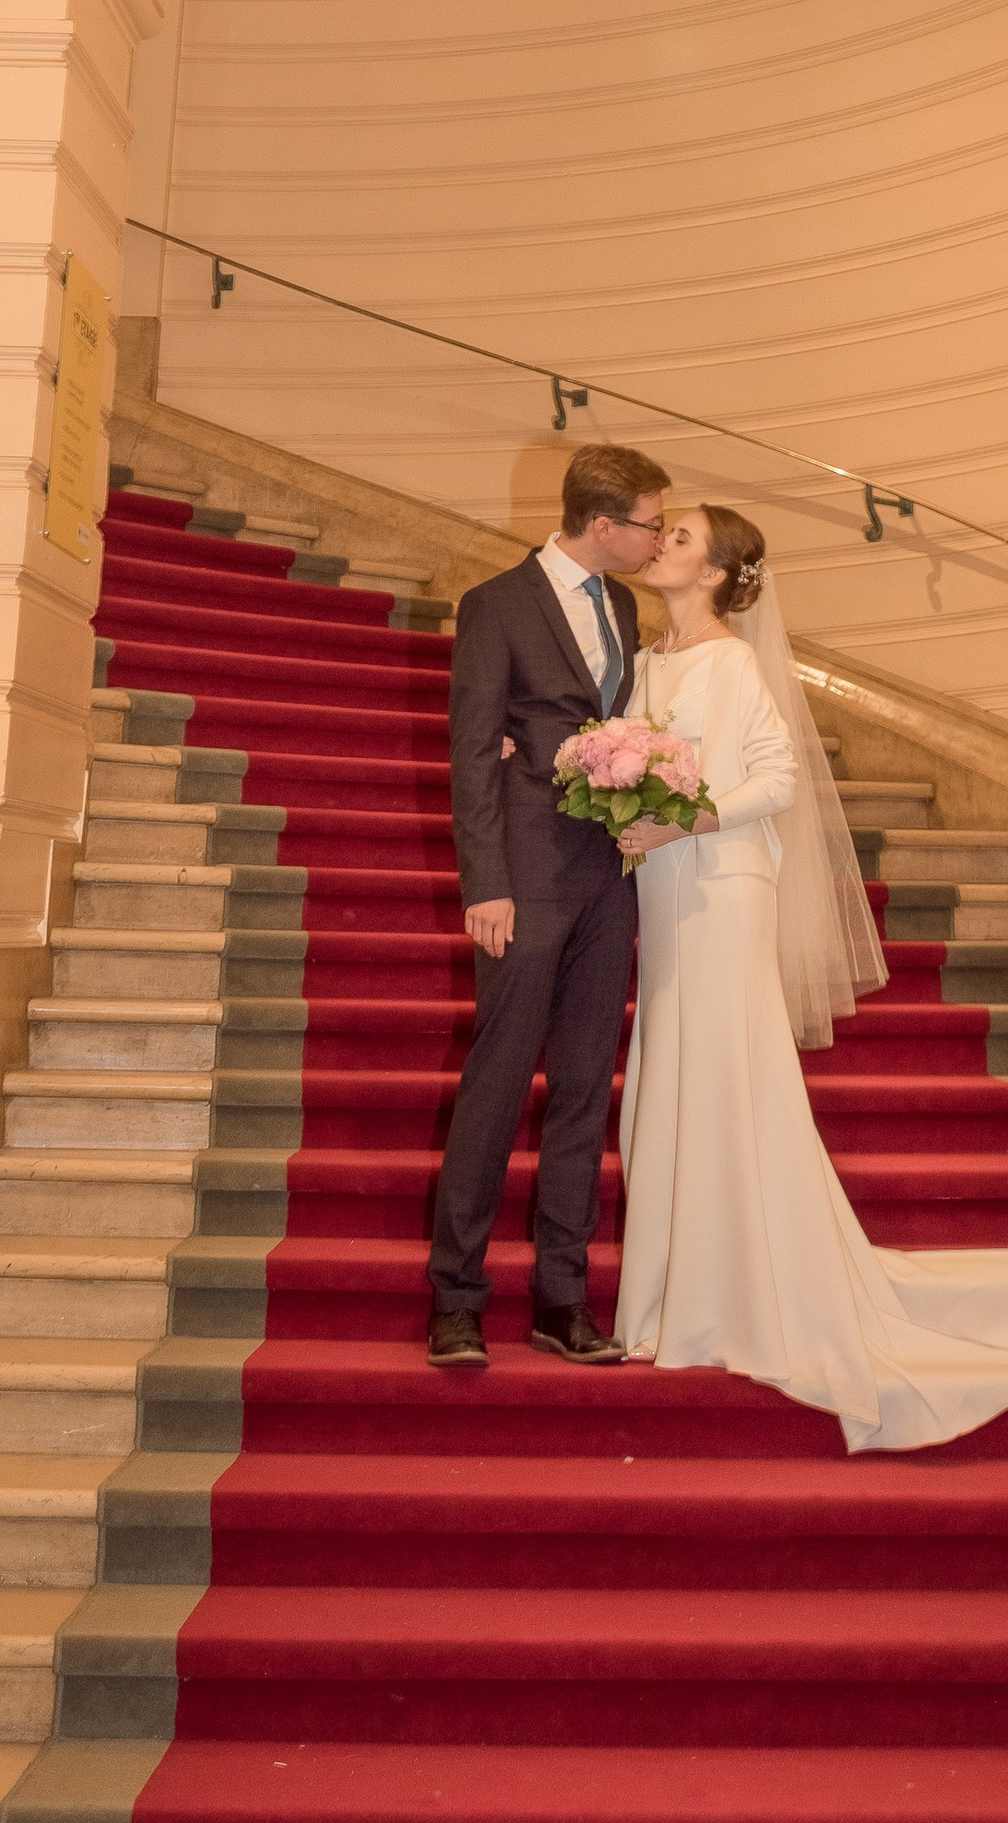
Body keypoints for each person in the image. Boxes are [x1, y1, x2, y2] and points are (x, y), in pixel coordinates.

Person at [613, 501, 1008, 1451]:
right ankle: (677, 1293)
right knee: (673, 1069)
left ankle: (726, 1297)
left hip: (723, 888)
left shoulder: (734, 663)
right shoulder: (647, 664)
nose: (662, 544)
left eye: (683, 538)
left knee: (726, 1078)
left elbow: (777, 781)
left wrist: (681, 821)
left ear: (716, 573)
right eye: (666, 533)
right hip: (662, 891)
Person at [425, 440, 663, 1366]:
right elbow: (473, 748)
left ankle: (562, 1296)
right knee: (495, 1084)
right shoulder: (495, 605)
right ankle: (456, 1296)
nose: (654, 538)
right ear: (602, 524)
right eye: (646, 522)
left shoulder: (625, 603)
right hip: (522, 875)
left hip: (608, 877)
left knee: (579, 1091)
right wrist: (483, 881)